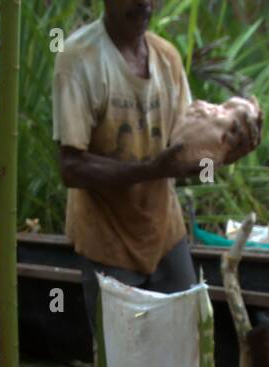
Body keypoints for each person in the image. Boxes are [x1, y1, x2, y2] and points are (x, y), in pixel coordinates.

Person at [52, 0, 256, 329]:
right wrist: (151, 169)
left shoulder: (167, 57)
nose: (145, 4)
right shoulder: (78, 58)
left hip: (164, 233)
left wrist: (224, 153)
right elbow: (71, 167)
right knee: (123, 362)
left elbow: (183, 153)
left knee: (185, 341)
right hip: (108, 240)